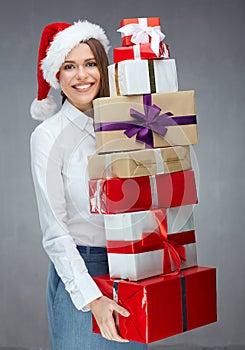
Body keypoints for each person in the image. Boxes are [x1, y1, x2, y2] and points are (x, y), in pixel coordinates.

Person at [30, 20, 148, 350]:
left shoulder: (127, 124)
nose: (82, 76)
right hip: (82, 270)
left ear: (103, 68)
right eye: (70, 66)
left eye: (90, 63)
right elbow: (55, 234)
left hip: (133, 266)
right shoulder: (48, 137)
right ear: (57, 75)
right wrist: (94, 300)